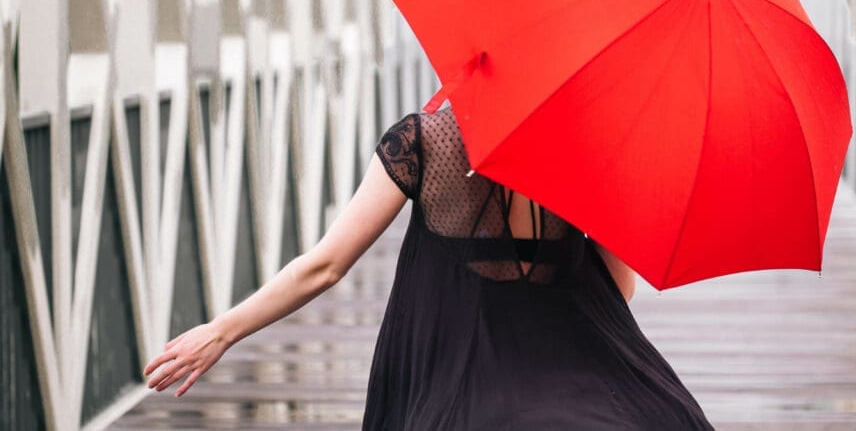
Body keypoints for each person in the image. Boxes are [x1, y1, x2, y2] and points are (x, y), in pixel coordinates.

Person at [144, 104, 714, 429]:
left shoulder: (422, 141)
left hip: (455, 393)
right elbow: (619, 290)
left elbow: (325, 266)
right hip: (586, 393)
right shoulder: (594, 147)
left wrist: (220, 332)